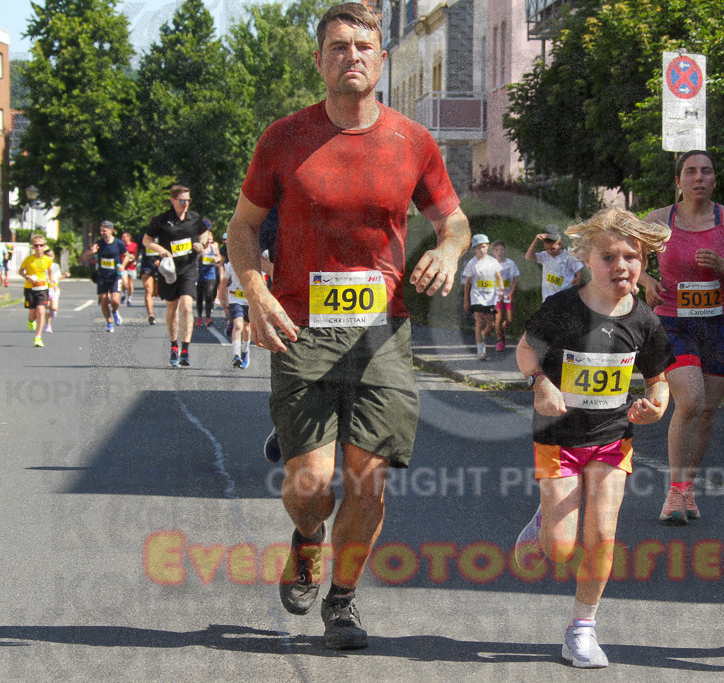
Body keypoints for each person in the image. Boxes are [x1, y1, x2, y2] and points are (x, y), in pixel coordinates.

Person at [225, 3, 470, 650]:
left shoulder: (412, 140)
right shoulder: (284, 138)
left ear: (381, 60)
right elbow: (242, 227)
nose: (351, 56)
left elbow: (453, 221)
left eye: (363, 46)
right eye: (338, 47)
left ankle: (342, 600)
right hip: (301, 329)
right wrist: (255, 291)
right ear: (319, 61)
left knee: (369, 479)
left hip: (381, 333)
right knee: (310, 486)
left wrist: (448, 252)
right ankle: (308, 539)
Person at [514, 207, 673, 668]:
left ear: (644, 261)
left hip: (612, 438)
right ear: (586, 258)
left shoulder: (645, 321)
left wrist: (656, 405)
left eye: (632, 257)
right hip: (558, 437)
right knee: (561, 549)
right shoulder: (562, 309)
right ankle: (544, 524)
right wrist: (540, 383)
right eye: (609, 256)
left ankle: (582, 628)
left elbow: (658, 380)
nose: (621, 266)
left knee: (603, 535)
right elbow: (526, 350)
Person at [639, 150, 724, 526]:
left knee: (707, 411)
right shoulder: (659, 220)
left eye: (706, 172)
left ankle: (686, 487)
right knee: (691, 401)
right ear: (678, 181)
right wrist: (646, 280)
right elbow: (624, 256)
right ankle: (675, 493)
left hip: (719, 324)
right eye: (691, 172)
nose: (698, 178)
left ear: (714, 180)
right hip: (672, 323)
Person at [143, 185, 211, 366]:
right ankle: (174, 345)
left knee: (187, 307)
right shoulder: (161, 220)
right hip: (170, 270)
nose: (185, 204)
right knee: (172, 308)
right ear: (172, 200)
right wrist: (160, 250)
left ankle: (185, 350)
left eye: (188, 200)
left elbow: (205, 234)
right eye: (182, 200)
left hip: (189, 267)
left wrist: (201, 244)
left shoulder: (194, 218)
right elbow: (146, 240)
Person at [80, 220, 127, 333]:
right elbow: (85, 257)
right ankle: (109, 322)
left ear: (111, 231)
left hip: (115, 275)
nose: (102, 232)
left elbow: (127, 255)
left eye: (104, 230)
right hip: (102, 275)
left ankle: (115, 311)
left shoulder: (118, 243)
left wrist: (123, 266)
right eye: (101, 230)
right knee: (104, 300)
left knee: (115, 301)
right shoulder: (99, 244)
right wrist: (91, 252)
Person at [462, 233, 504, 360]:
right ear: (474, 249)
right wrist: (466, 300)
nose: (481, 250)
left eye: (484, 247)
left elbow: (499, 277)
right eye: (478, 247)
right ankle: (480, 350)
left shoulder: (492, 261)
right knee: (479, 321)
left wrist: (501, 290)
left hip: (490, 297)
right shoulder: (472, 263)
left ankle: (482, 337)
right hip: (477, 296)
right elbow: (467, 283)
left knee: (491, 324)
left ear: (488, 247)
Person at [526, 225, 584, 301]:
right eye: (547, 249)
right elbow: (528, 256)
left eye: (553, 249)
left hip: (565, 298)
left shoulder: (568, 256)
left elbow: (579, 272)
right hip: (548, 299)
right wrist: (536, 241)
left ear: (560, 244)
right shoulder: (544, 256)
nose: (550, 251)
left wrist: (578, 278)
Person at [218, 253, 251, 369]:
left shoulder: (254, 265)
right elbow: (224, 282)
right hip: (235, 299)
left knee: (247, 328)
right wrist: (221, 297)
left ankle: (245, 351)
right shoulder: (231, 265)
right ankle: (236, 355)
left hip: (249, 300)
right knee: (238, 325)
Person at [18, 234, 52, 348]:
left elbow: (50, 272)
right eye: (36, 245)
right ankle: (30, 320)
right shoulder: (28, 260)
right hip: (30, 288)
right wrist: (27, 277)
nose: (38, 248)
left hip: (42, 289)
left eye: (41, 245)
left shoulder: (47, 260)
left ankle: (38, 337)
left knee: (41, 311)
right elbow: (20, 271)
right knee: (33, 313)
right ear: (32, 247)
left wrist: (52, 282)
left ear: (44, 246)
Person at [492, 239, 519, 351]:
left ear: (505, 251)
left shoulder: (510, 263)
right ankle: (500, 341)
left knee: (509, 320)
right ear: (493, 252)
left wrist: (512, 293)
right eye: (497, 250)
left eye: (501, 249)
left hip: (508, 295)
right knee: (498, 319)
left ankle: (501, 333)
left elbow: (516, 279)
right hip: (496, 295)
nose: (499, 252)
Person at [196, 228, 222, 327]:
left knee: (209, 295)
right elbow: (194, 260)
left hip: (211, 275)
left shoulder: (214, 247)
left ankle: (208, 317)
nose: (209, 242)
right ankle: (199, 317)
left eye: (211, 240)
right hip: (200, 275)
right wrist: (200, 254)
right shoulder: (199, 248)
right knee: (199, 297)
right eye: (207, 240)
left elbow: (219, 257)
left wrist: (216, 259)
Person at [44, 248, 64, 333]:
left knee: (54, 307)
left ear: (54, 256)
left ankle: (53, 311)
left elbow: (58, 277)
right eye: (47, 256)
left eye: (51, 256)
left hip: (54, 289)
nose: (49, 258)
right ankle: (48, 325)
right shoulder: (43, 266)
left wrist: (65, 276)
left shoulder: (56, 266)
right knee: (47, 307)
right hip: (45, 289)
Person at [121, 232, 138, 306]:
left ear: (129, 238)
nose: (122, 238)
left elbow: (137, 254)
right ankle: (123, 295)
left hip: (131, 267)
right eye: (122, 237)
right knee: (124, 282)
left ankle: (129, 299)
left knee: (130, 284)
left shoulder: (134, 245)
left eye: (124, 237)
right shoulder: (121, 245)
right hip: (123, 267)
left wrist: (135, 261)